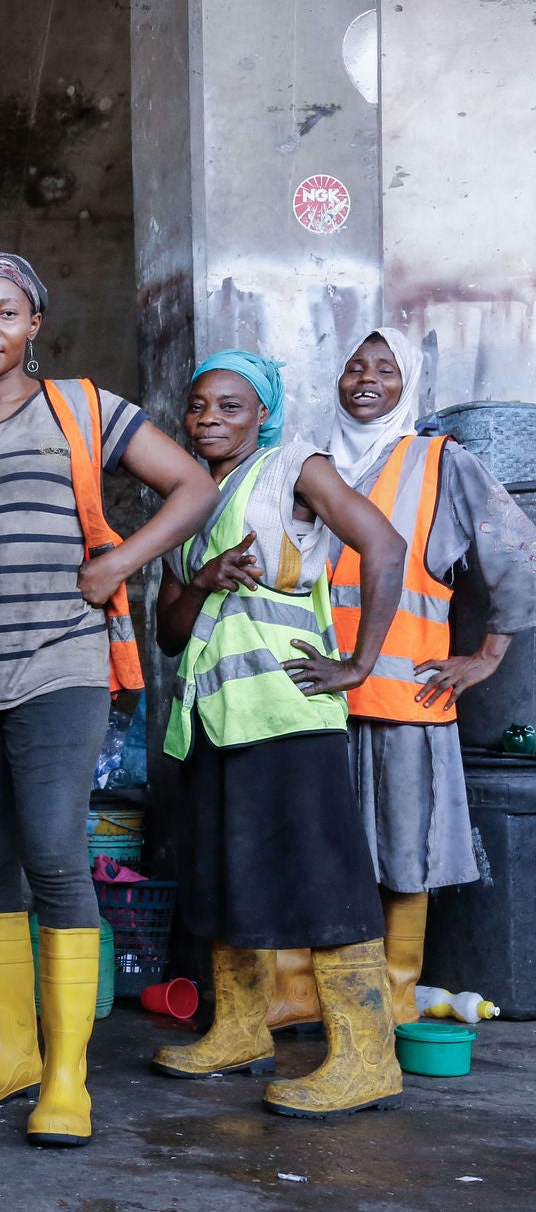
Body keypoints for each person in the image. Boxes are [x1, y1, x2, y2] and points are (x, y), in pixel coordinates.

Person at [0, 253, 216, 1147]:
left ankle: (67, 1072)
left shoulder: (80, 407)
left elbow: (195, 485)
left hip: (59, 663)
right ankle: (11, 1051)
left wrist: (120, 560)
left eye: (7, 311)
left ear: (34, 324)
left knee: (50, 848)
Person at [149, 350, 411, 1119]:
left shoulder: (294, 465)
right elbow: (169, 635)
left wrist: (360, 662)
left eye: (230, 406)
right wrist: (202, 578)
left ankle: (367, 1056)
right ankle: (238, 1029)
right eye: (198, 406)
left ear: (263, 413)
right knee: (229, 877)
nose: (209, 420)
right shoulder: (186, 502)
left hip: (291, 710)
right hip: (216, 723)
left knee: (324, 879)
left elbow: (385, 544)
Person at [258, 329, 536, 1032]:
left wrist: (487, 657)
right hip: (310, 696)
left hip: (404, 697)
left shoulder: (440, 462)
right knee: (312, 847)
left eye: (386, 368)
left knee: (403, 853)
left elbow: (516, 553)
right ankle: (302, 993)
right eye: (355, 365)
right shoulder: (307, 464)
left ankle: (392, 995)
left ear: (408, 383)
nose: (366, 378)